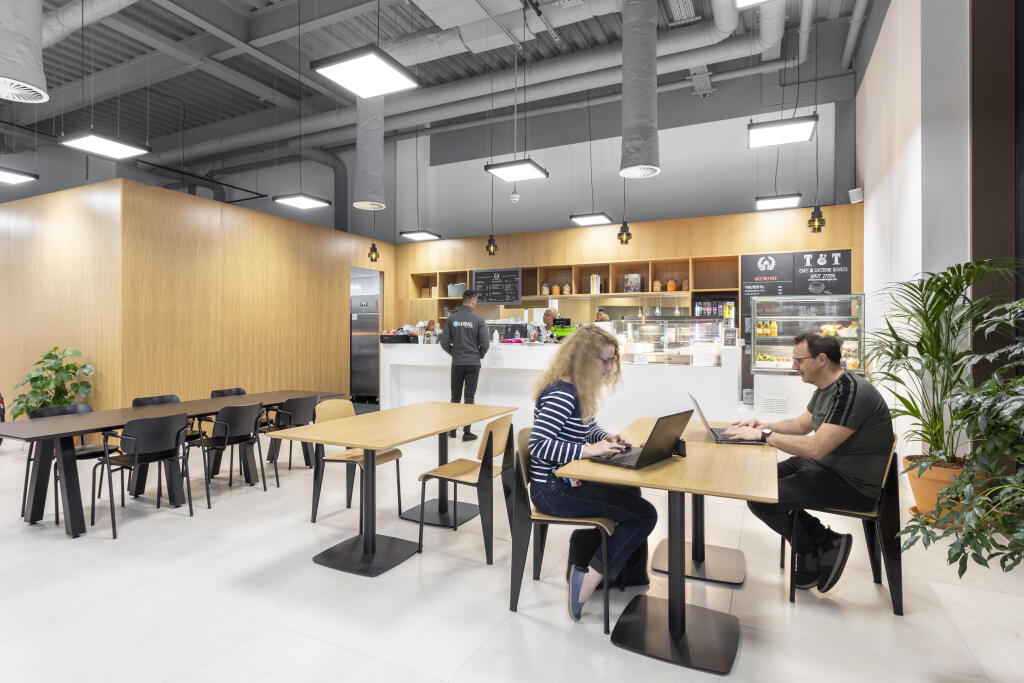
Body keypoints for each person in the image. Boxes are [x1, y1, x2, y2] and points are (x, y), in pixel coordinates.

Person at [723, 331, 894, 594]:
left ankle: (817, 547)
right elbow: (802, 425)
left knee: (761, 497)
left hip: (850, 483)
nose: (794, 366)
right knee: (755, 483)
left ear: (821, 360)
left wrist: (764, 437)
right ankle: (824, 543)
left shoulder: (851, 392)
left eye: (798, 360)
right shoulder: (828, 388)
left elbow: (816, 447)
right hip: (824, 468)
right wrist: (762, 425)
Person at [528, 325, 657, 621]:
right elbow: (539, 445)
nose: (609, 368)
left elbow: (586, 428)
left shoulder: (577, 391)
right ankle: (586, 582)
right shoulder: (562, 395)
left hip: (565, 481)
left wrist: (607, 437)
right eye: (605, 361)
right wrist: (588, 451)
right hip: (552, 490)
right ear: (584, 359)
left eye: (612, 361)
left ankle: (614, 567)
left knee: (631, 493)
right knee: (645, 515)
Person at [439, 289, 490, 441]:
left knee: (455, 397)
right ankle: (467, 433)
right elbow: (485, 344)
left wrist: (455, 353)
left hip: (457, 363)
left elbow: (444, 342)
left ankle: (452, 430)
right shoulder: (479, 320)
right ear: (474, 301)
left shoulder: (452, 319)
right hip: (473, 363)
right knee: (469, 398)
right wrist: (479, 355)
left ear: (463, 300)